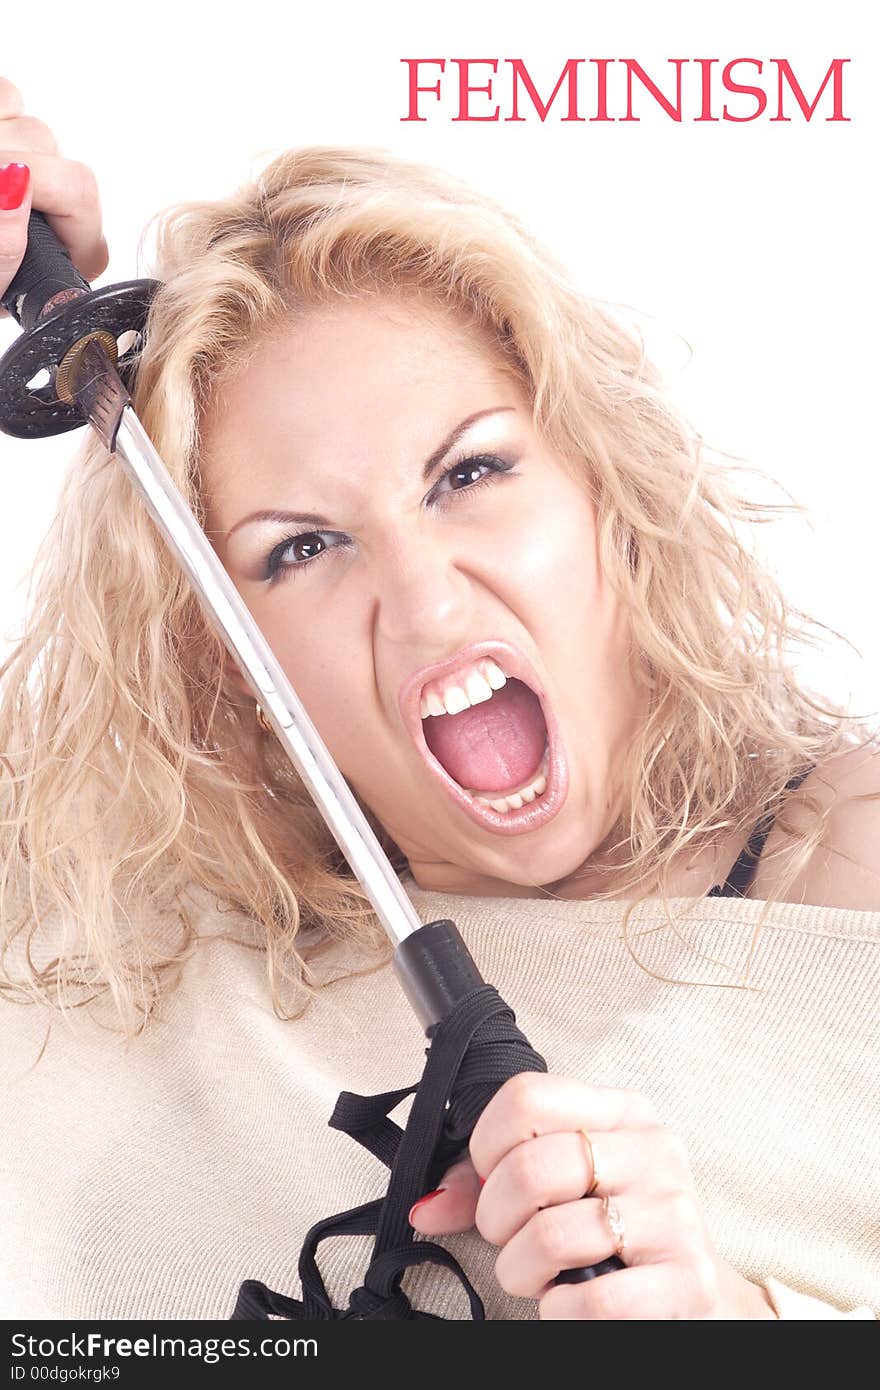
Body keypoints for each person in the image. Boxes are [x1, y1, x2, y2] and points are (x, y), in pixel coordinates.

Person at [0, 75, 877, 1322]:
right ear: (224, 666)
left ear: (609, 496)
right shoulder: (91, 908)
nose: (420, 604)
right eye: (300, 548)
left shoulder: (852, 858)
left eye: (469, 471)